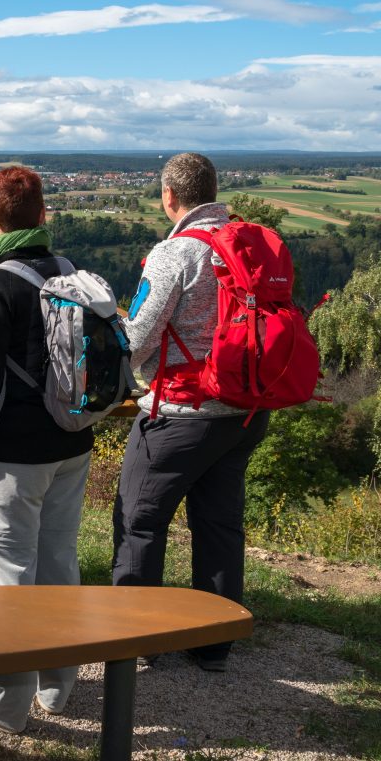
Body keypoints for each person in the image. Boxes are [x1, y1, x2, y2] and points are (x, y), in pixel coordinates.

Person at [0, 165, 93, 734]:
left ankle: (3, 704)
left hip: (14, 456)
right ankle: (57, 687)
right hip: (72, 443)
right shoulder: (67, 270)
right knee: (58, 563)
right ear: (43, 215)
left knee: (6, 574)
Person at [112, 152, 270, 671]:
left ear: (169, 196)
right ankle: (214, 642)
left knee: (140, 522)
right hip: (244, 412)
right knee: (220, 526)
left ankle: (134, 639)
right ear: (214, 190)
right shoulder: (249, 244)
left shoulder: (174, 253)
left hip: (180, 415)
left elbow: (136, 338)